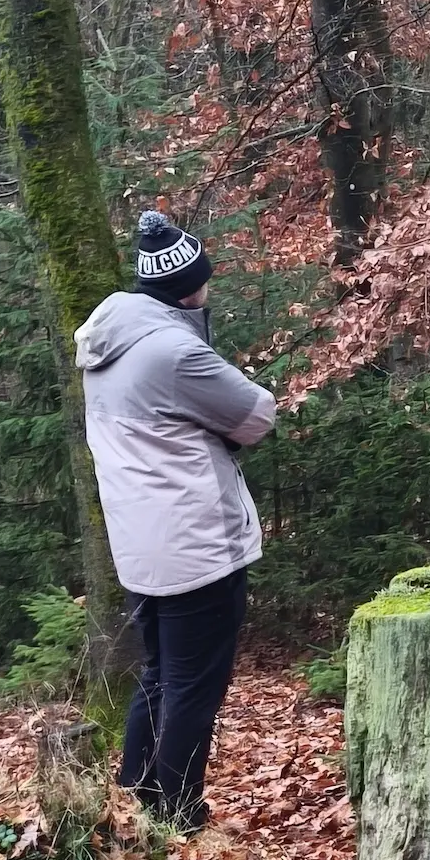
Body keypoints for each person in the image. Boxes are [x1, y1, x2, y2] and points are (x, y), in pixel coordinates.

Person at [75, 210, 277, 828]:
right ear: (191, 284)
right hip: (197, 544)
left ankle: (140, 798)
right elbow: (256, 415)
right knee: (194, 687)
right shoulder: (173, 350)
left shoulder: (108, 341)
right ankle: (178, 815)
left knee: (161, 676)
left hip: (140, 543)